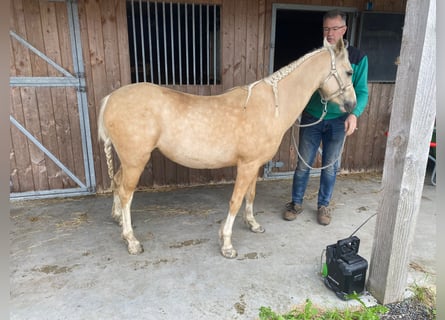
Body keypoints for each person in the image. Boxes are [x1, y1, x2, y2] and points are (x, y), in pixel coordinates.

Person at [283, 10, 369, 225]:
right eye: (326, 29)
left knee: (331, 166)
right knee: (303, 164)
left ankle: (323, 205)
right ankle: (295, 203)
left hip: (339, 121)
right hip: (312, 117)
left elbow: (362, 91)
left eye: (334, 29)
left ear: (344, 29)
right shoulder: (315, 55)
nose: (329, 33)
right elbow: (300, 84)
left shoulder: (358, 58)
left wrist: (354, 115)